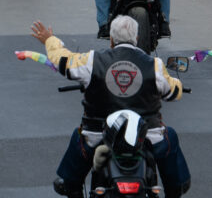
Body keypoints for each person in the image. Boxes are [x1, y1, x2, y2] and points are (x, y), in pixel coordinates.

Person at [30, 14, 189, 198]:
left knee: (77, 145)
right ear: (136, 39)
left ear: (112, 39)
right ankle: (174, 191)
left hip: (97, 135)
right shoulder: (154, 65)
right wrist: (177, 83)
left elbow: (63, 60)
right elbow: (173, 92)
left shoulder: (91, 60)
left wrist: (50, 40)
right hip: (148, 136)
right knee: (170, 138)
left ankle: (72, 187)